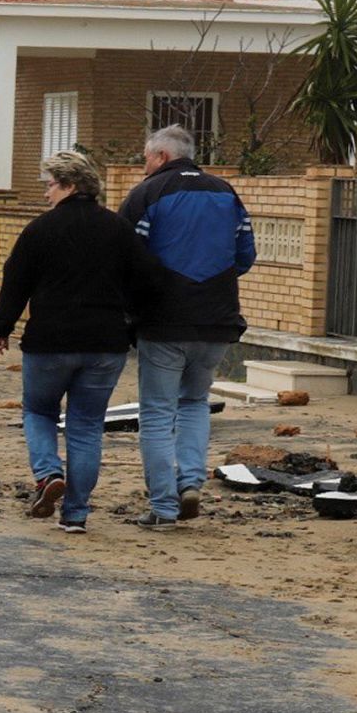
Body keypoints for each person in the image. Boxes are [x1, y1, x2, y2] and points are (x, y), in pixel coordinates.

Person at [0, 152, 154, 535]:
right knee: (86, 427)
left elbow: (16, 281)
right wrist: (132, 324)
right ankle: (76, 514)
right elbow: (146, 280)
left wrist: (1, 326)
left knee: (39, 412)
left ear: (70, 185)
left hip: (50, 342)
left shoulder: (40, 230)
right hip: (105, 345)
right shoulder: (119, 229)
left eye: (50, 185)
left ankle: (47, 474)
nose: (46, 193)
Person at [120, 125, 257, 530]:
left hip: (163, 322)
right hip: (217, 320)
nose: (144, 166)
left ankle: (164, 506)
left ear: (161, 156)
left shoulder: (147, 194)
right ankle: (191, 482)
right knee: (195, 402)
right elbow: (245, 255)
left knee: (158, 413)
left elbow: (126, 256)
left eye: (146, 158)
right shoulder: (225, 191)